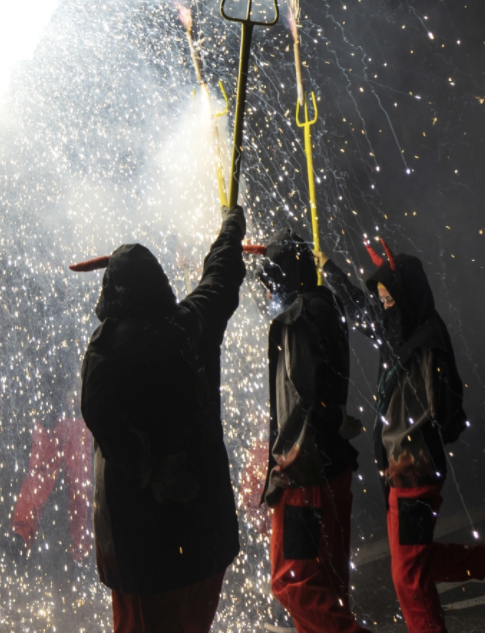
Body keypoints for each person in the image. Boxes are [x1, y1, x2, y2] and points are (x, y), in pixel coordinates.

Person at [70, 206, 245, 632]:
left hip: (145, 554)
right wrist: (231, 229)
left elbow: (98, 413)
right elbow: (220, 276)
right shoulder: (193, 324)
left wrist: (149, 470)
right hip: (207, 539)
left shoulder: (108, 351)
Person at [319, 237, 480, 632]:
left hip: (415, 475)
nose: (384, 306)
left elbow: (444, 407)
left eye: (390, 298)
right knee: (413, 560)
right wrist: (330, 271)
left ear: (407, 296)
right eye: (383, 299)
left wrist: (418, 439)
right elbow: (362, 311)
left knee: (409, 579)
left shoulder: (427, 339)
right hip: (396, 471)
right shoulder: (399, 326)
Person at [253, 231, 363, 632]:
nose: (268, 293)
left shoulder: (297, 318)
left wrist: (286, 469)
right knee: (329, 585)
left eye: (272, 282)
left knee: (293, 582)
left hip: (307, 472)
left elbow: (299, 400)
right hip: (334, 465)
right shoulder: (327, 304)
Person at [9, 385, 91, 564]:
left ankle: (82, 551)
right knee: (74, 483)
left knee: (75, 483)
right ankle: (22, 537)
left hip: (65, 412)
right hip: (58, 413)